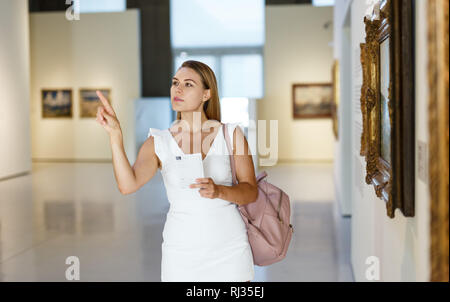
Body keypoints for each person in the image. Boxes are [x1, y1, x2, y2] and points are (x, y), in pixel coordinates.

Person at [95, 60, 258, 282]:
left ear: (206, 95)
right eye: (175, 83)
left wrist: (219, 191)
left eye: (188, 84)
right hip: (181, 250)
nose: (177, 89)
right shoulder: (159, 141)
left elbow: (251, 191)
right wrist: (115, 136)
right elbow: (127, 185)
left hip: (229, 247)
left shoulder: (230, 134)